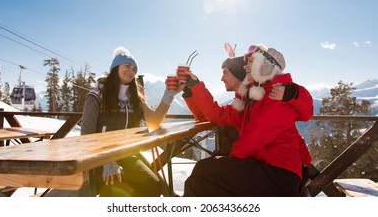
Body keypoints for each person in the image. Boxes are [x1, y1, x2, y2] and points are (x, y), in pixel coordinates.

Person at [183, 44, 313, 197]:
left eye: (251, 61)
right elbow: (217, 114)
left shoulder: (277, 93)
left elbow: (256, 136)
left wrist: (229, 162)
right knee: (201, 177)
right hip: (265, 167)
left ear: (264, 66)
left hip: (279, 174)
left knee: (203, 176)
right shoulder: (255, 98)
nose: (246, 67)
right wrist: (195, 86)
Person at [80, 46, 179, 197]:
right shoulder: (97, 95)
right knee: (114, 191)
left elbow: (153, 121)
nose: (131, 71)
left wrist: (169, 94)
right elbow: (87, 136)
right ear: (115, 67)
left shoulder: (135, 97)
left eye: (134, 69)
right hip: (101, 159)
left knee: (154, 186)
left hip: (128, 155)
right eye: (127, 66)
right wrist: (107, 161)